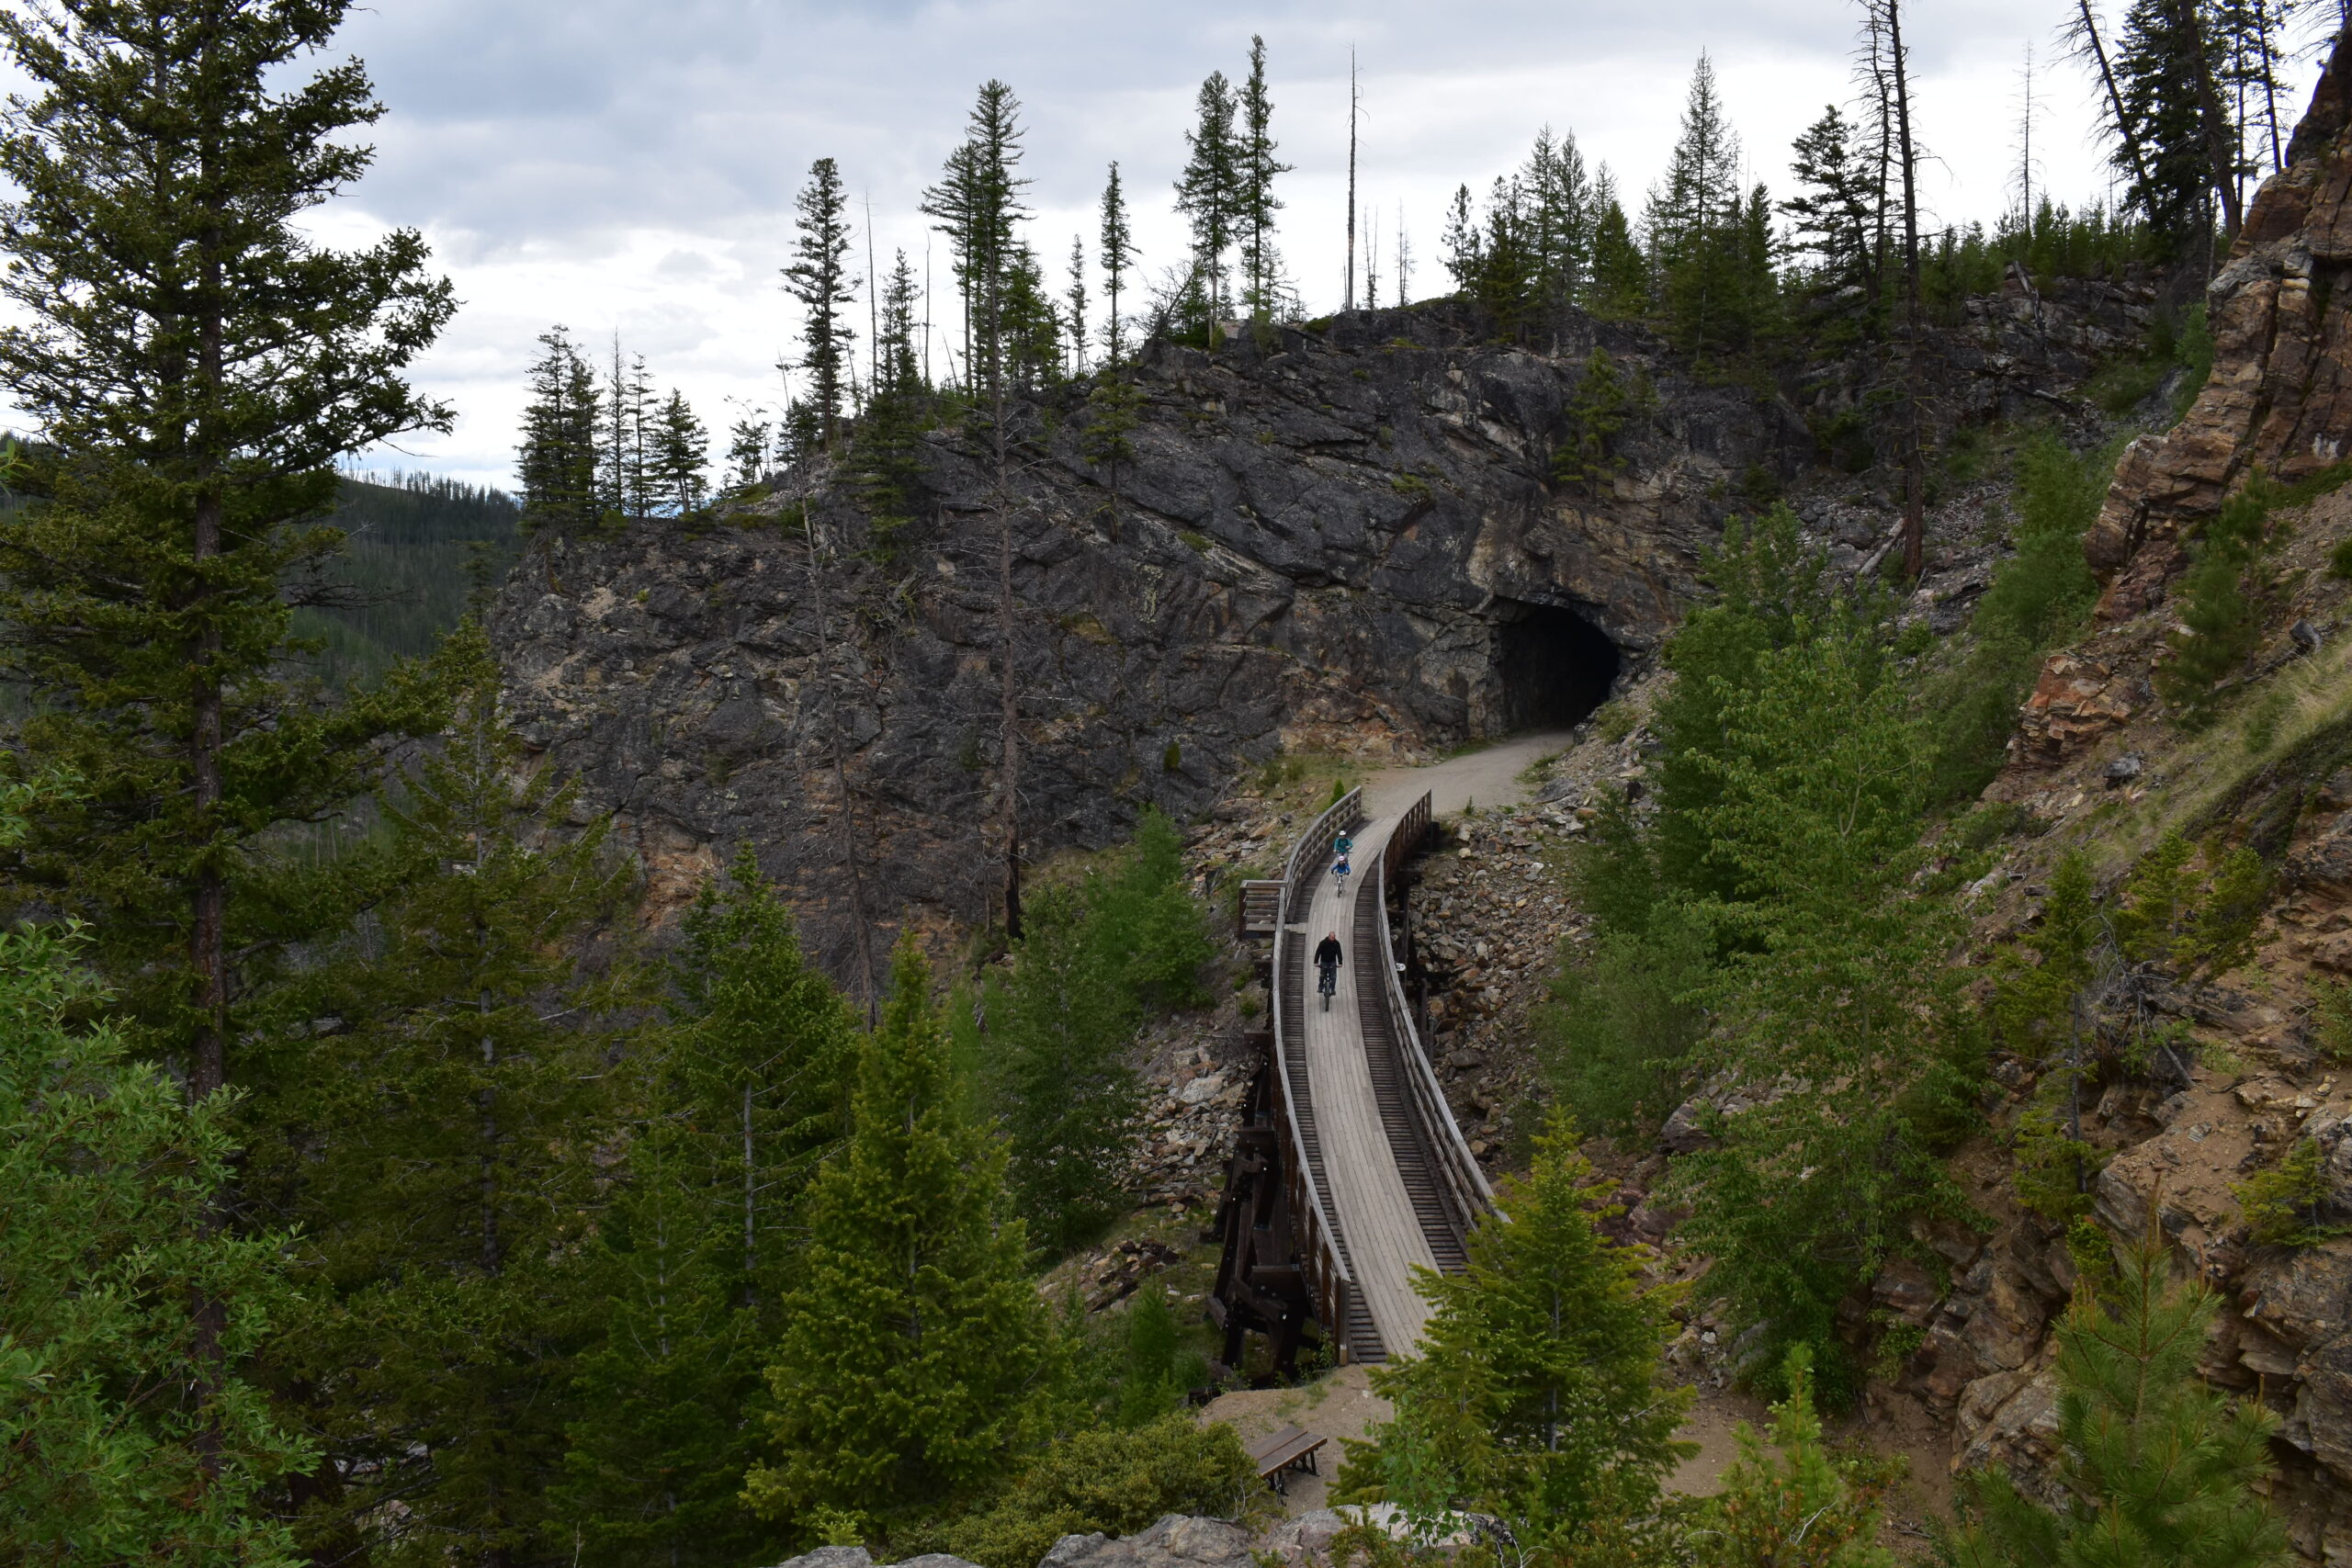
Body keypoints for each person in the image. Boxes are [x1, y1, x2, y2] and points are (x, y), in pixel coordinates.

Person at [1314, 931, 1342, 1008]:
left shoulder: (1336, 943)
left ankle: (1332, 989)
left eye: (1334, 937)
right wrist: (1316, 962)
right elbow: (1318, 952)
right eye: (1332, 937)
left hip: (1332, 962)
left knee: (1333, 977)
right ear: (1329, 936)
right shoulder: (1323, 943)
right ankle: (1320, 987)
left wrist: (1340, 963)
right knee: (1322, 975)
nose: (1333, 938)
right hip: (1324, 962)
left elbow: (1339, 953)